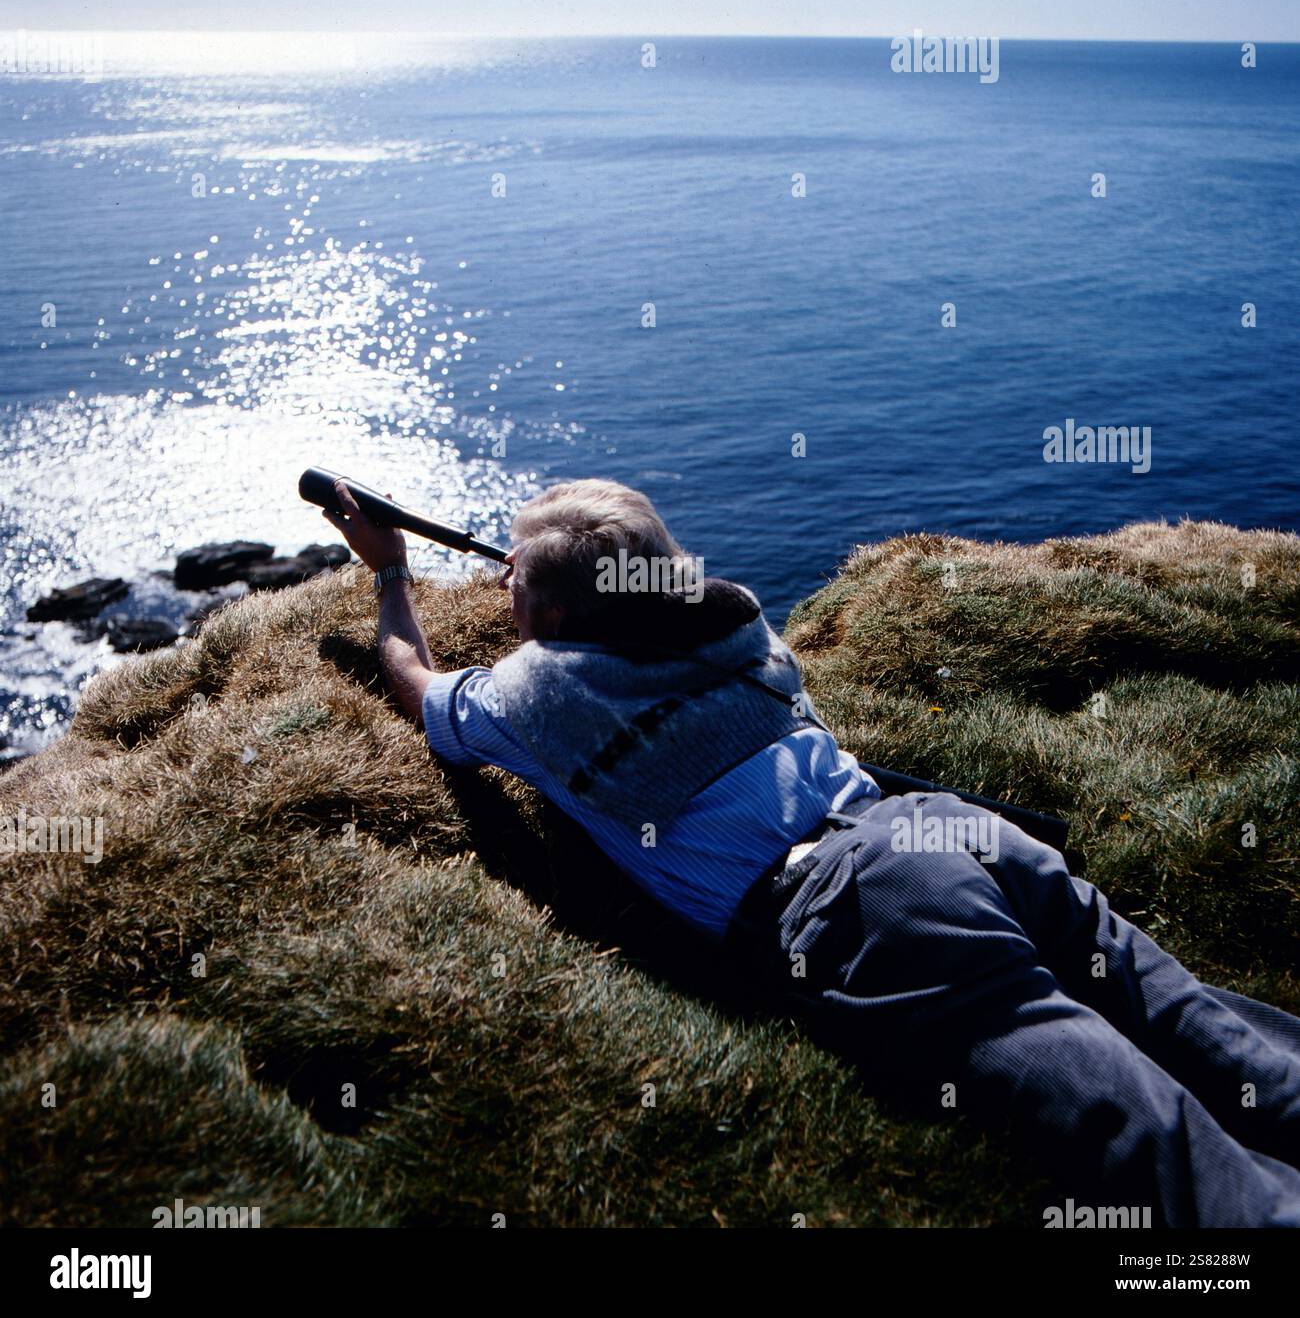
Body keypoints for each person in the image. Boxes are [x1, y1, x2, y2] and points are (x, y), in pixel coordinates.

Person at [323, 474, 1300, 1228]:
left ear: (559, 619)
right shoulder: (733, 629)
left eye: (516, 585)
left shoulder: (534, 698)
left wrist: (392, 568)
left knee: (1107, 1097)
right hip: (941, 829)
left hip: (857, 904)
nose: (502, 588)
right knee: (1172, 1005)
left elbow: (415, 680)